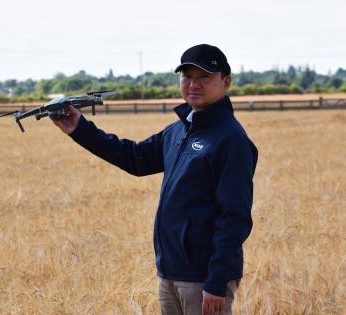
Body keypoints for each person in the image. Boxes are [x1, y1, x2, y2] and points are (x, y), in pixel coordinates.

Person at [51, 44, 258, 315]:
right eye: (187, 76)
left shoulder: (231, 140)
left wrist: (217, 281)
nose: (194, 84)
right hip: (170, 271)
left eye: (205, 77)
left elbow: (235, 217)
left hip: (203, 278)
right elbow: (134, 157)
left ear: (226, 82)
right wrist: (79, 129)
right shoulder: (178, 131)